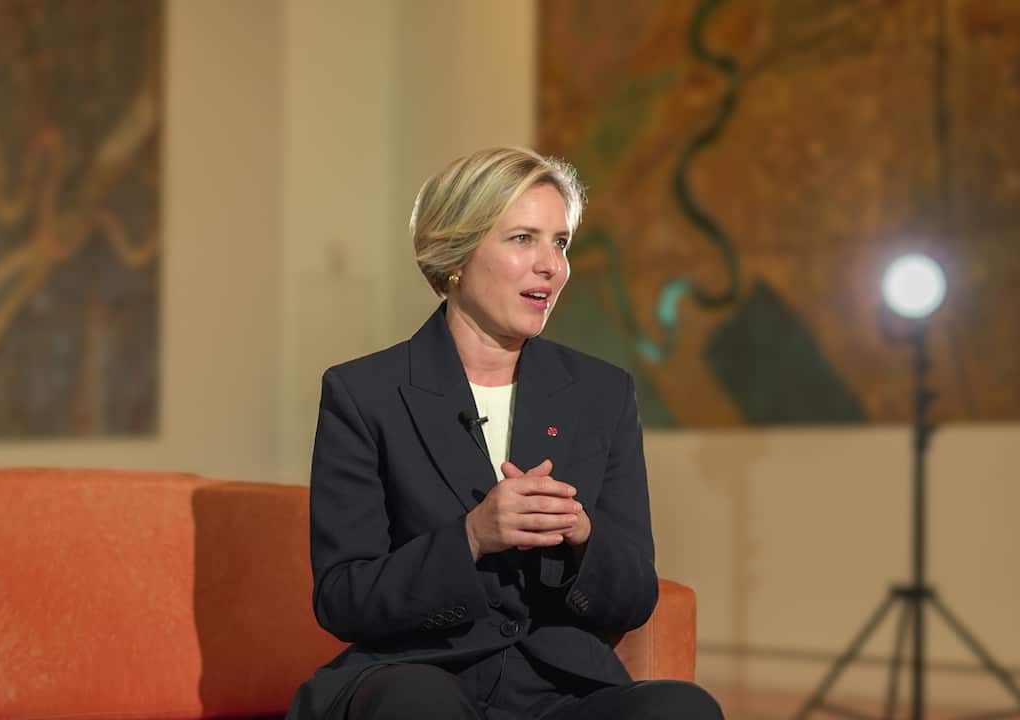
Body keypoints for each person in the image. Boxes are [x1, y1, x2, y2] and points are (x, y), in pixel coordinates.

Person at [287, 147, 722, 720]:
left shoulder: (602, 394)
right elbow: (343, 598)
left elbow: (636, 594)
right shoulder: (364, 393)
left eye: (560, 242)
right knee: (417, 706)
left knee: (681, 709)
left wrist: (582, 534)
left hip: (558, 689)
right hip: (416, 675)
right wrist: (471, 536)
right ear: (457, 254)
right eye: (523, 239)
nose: (552, 266)